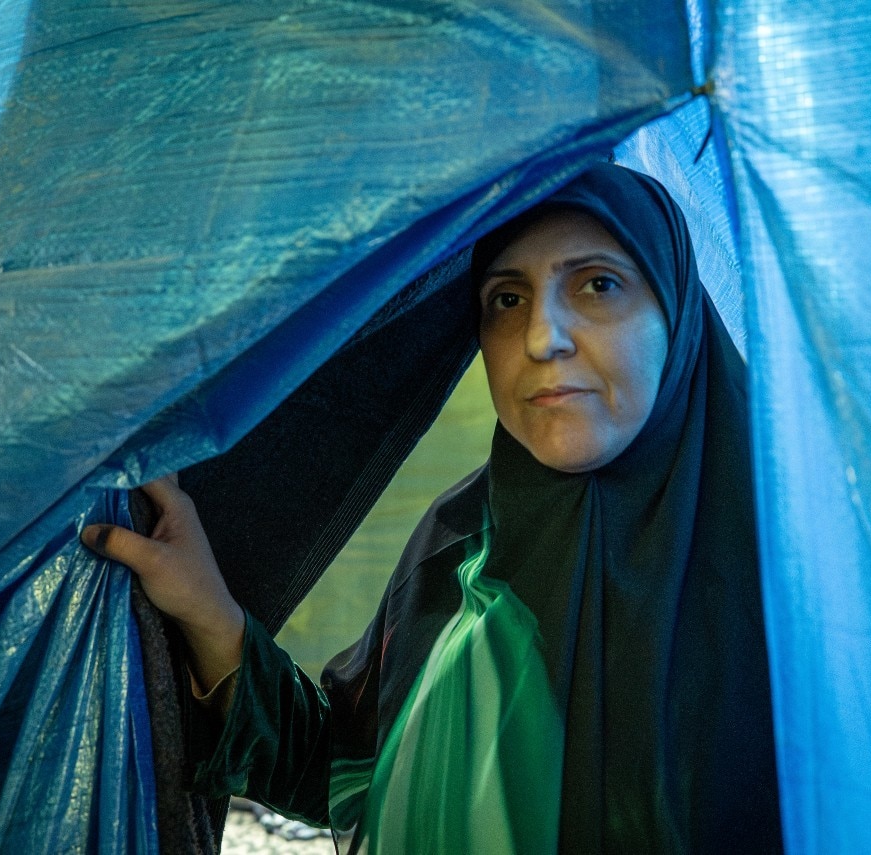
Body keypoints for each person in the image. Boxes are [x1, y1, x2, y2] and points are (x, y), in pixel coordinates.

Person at [82, 163, 782, 853]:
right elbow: (348, 766)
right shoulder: (461, 545)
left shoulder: (794, 583)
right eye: (507, 300)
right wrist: (208, 612)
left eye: (598, 285)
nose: (543, 338)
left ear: (677, 311)